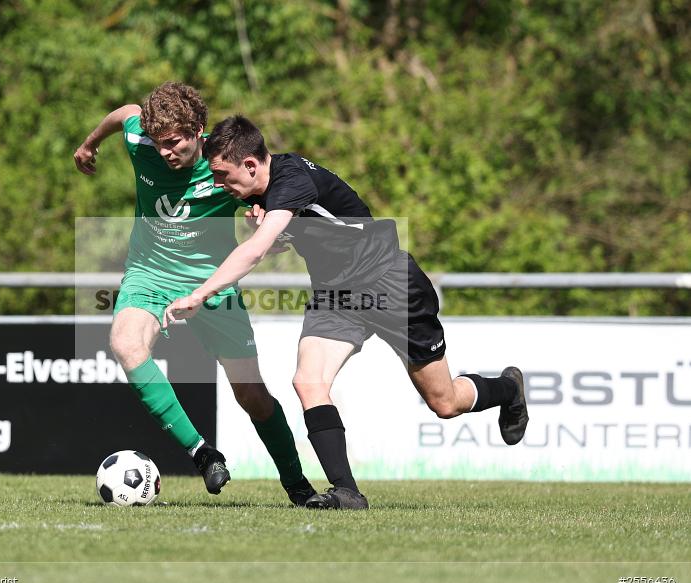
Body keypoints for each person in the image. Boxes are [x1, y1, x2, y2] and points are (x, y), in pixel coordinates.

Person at [163, 115, 529, 510]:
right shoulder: (260, 191)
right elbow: (279, 241)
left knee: (445, 402)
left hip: (390, 284)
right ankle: (347, 492)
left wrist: (200, 293)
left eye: (223, 175)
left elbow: (255, 252)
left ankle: (508, 390)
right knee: (308, 381)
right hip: (336, 295)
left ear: (250, 165)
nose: (219, 184)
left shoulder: (290, 181)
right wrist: (266, 231)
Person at [73, 84, 316, 505]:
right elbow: (126, 112)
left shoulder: (224, 167)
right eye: (158, 142)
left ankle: (299, 487)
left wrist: (264, 227)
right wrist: (89, 144)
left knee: (252, 396)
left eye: (174, 142)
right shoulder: (139, 140)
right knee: (125, 344)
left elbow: (270, 224)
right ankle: (202, 453)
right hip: (149, 274)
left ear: (198, 131)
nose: (165, 152)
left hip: (212, 284)